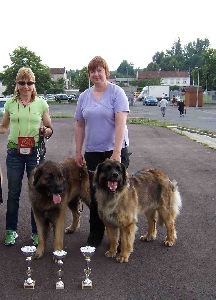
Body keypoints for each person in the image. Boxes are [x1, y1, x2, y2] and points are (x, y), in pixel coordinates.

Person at [0, 67, 53, 246]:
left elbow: (49, 128)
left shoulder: (41, 103)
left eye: (29, 83)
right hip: (14, 153)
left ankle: (36, 231)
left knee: (36, 193)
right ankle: (11, 231)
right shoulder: (10, 104)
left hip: (35, 153)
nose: (25, 86)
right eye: (22, 83)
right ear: (17, 84)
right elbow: (4, 127)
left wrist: (45, 131)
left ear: (34, 84)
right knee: (13, 193)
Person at [74, 56, 130, 248]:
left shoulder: (117, 93)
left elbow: (121, 123)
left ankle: (122, 235)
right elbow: (80, 125)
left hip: (114, 152)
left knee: (119, 195)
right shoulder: (84, 96)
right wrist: (78, 152)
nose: (96, 74)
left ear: (106, 71)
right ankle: (95, 234)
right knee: (97, 195)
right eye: (92, 71)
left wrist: (116, 153)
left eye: (99, 70)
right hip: (93, 153)